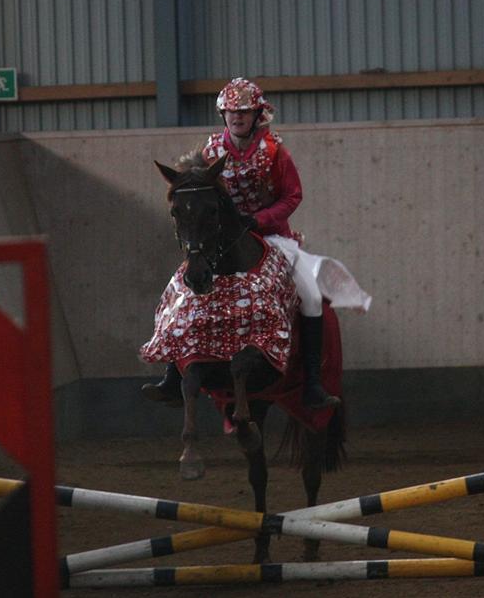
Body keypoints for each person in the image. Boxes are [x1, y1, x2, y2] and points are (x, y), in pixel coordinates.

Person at [143, 77, 370, 409]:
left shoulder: (275, 151)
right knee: (177, 288)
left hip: (273, 235)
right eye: (231, 112)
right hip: (220, 237)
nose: (237, 118)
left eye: (244, 112)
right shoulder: (209, 152)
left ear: (256, 114)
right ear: (224, 115)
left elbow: (293, 196)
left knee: (308, 294)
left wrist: (260, 220)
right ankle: (172, 377)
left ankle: (312, 385)